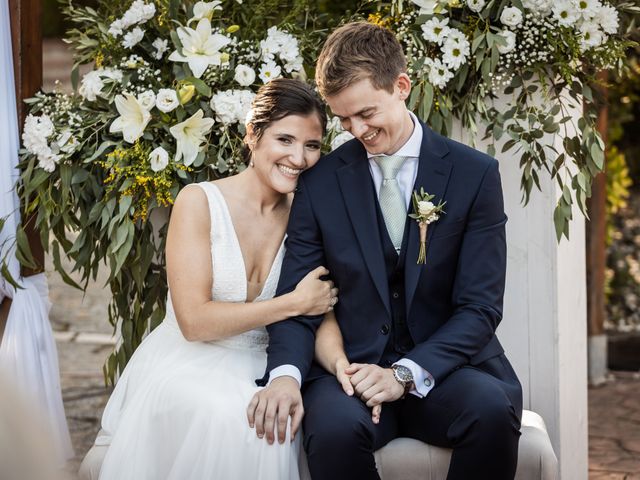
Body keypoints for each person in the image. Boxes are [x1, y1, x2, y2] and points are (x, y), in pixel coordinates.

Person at [248, 22, 523, 480]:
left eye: (366, 114)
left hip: (446, 371)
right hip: (349, 375)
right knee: (332, 431)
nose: (357, 130)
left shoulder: (475, 174)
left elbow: (480, 307)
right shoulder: (319, 184)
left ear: (401, 87)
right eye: (343, 120)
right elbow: (299, 300)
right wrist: (284, 376)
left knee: (491, 409)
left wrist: (404, 375)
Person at [97, 78, 343, 480]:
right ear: (252, 135)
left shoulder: (311, 213)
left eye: (312, 145)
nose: (298, 158)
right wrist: (291, 303)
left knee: (275, 423)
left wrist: (341, 365)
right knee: (230, 418)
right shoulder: (199, 201)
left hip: (266, 362)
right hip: (191, 359)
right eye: (285, 140)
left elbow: (322, 304)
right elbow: (194, 322)